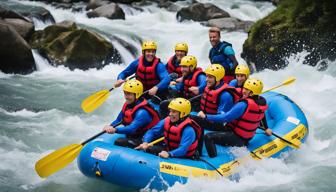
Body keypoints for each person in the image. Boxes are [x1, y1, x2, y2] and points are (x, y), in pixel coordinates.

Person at [197, 78, 272, 158]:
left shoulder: (243, 105)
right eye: (244, 88)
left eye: (246, 89)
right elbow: (262, 115)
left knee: (208, 137)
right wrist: (266, 128)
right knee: (209, 125)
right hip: (245, 137)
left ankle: (213, 159)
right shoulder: (260, 103)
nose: (243, 91)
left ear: (252, 93)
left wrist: (206, 116)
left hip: (237, 138)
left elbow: (226, 117)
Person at [136, 98, 201, 159]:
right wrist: (145, 142)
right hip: (169, 149)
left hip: (184, 157)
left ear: (183, 114)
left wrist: (169, 154)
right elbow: (152, 131)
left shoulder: (189, 130)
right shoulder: (167, 120)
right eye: (170, 111)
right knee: (148, 149)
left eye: (174, 112)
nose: (170, 114)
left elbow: (183, 150)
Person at [103, 79, 160, 148]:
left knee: (119, 142)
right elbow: (118, 120)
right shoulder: (128, 105)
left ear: (137, 95)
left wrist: (115, 130)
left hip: (146, 139)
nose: (126, 97)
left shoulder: (142, 112)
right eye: (125, 93)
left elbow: (131, 129)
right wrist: (110, 126)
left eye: (129, 94)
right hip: (135, 135)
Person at [192, 64, 241, 131]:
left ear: (217, 78)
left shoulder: (225, 95)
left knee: (189, 119)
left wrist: (205, 116)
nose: (206, 80)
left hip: (217, 123)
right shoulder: (211, 87)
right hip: (206, 115)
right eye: (206, 76)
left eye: (210, 77)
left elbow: (223, 118)